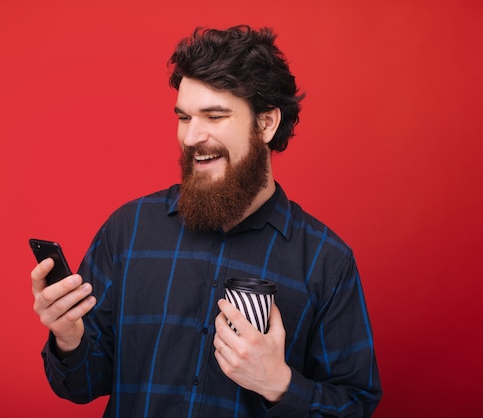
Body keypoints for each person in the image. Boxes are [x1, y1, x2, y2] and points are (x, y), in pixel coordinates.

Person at [31, 25, 382, 417]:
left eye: (214, 116)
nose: (192, 136)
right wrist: (68, 337)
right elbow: (81, 385)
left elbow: (355, 405)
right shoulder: (129, 231)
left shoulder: (325, 262)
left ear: (266, 124)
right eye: (184, 117)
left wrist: (279, 384)